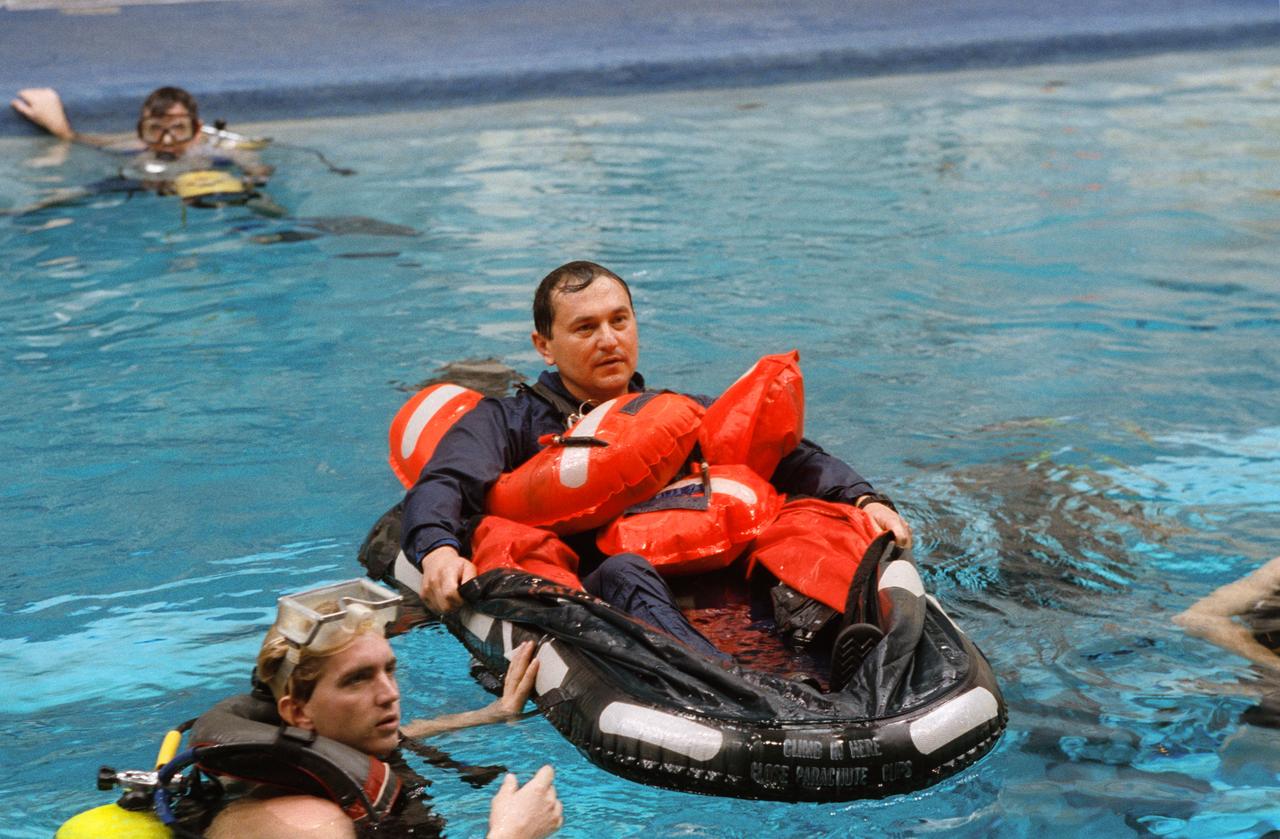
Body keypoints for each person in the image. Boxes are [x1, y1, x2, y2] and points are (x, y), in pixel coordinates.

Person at [399, 260, 913, 685]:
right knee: (626, 570)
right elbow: (445, 483)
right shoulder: (505, 424)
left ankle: (843, 649)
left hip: (715, 587)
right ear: (544, 346)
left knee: (802, 526)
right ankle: (730, 683)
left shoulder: (674, 414)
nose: (608, 340)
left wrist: (864, 499)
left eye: (619, 321)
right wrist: (438, 549)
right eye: (585, 327)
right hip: (606, 593)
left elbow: (794, 457)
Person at [205, 580, 563, 839]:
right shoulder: (311, 826)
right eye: (357, 680)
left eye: (388, 670)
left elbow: (408, 734)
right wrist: (510, 833)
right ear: (298, 712)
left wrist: (492, 713)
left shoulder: (337, 749)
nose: (389, 694)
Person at [11, 85, 273, 183]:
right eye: (155, 130)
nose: (167, 141)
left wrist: (254, 176)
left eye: (178, 129)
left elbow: (257, 168)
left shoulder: (220, 152)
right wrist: (62, 131)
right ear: (142, 132)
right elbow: (89, 143)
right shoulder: (134, 148)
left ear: (196, 129)